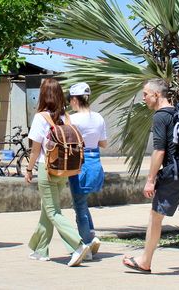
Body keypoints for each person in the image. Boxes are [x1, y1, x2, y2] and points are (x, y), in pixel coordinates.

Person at [122, 79, 179, 274]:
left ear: (156, 95)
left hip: (174, 174)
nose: (143, 98)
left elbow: (159, 151)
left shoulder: (161, 116)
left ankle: (145, 261)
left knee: (156, 217)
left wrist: (150, 180)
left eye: (145, 94)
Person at [24, 78, 93, 266]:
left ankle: (77, 245)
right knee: (47, 209)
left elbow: (35, 149)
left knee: (53, 211)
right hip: (63, 170)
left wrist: (29, 169)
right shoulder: (66, 117)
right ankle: (41, 249)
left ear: (43, 95)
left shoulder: (40, 117)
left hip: (47, 168)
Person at [66, 82, 107, 260]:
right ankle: (91, 235)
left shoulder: (72, 119)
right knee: (83, 203)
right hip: (95, 163)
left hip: (79, 164)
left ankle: (86, 245)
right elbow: (103, 143)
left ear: (74, 99)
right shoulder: (98, 117)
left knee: (79, 207)